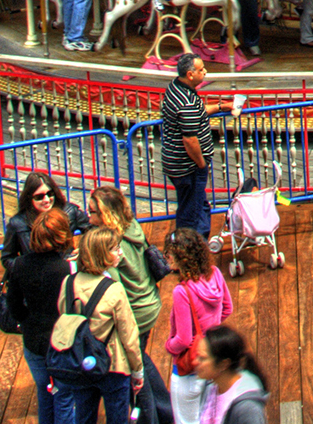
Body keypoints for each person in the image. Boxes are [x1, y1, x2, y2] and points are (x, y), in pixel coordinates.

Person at [89, 186, 175, 424]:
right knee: (141, 360)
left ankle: (150, 419)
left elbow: (113, 290)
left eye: (93, 212)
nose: (89, 217)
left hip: (135, 312)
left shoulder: (111, 244)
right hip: (150, 302)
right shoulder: (132, 227)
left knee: (131, 373)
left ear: (106, 215)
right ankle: (166, 412)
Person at [54, 225, 145, 424]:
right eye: (115, 248)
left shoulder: (68, 283)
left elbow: (64, 319)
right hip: (112, 365)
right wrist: (138, 370)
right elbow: (129, 336)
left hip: (79, 363)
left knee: (84, 417)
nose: (120, 252)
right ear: (102, 254)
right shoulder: (114, 289)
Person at [5, 207, 75, 424]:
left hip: (34, 341)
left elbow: (13, 304)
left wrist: (26, 322)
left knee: (45, 393)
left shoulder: (19, 265)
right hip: (62, 343)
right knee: (64, 396)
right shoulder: (67, 269)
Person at [165, 227, 234, 424]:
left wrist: (169, 346)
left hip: (188, 371)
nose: (167, 258)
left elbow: (184, 338)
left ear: (181, 257)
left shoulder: (182, 292)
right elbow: (227, 308)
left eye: (170, 254)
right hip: (211, 364)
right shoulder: (214, 273)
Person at [161, 52, 233, 238]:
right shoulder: (186, 102)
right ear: (191, 75)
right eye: (201, 70)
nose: (205, 72)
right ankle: (189, 251)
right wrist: (201, 163)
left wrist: (220, 107)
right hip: (188, 167)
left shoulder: (175, 89)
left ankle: (199, 242)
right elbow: (190, 139)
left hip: (178, 164)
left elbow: (198, 112)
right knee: (190, 214)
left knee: (198, 206)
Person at [1, 172, 91, 266]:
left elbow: (94, 230)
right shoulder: (17, 223)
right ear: (29, 198)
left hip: (66, 270)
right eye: (39, 197)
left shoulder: (69, 211)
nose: (47, 200)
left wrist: (84, 252)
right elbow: (8, 258)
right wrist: (26, 268)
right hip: (36, 276)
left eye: (50, 193)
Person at [194, 325, 269, 424]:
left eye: (202, 358)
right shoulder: (210, 388)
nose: (195, 362)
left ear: (223, 364)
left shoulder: (247, 408)